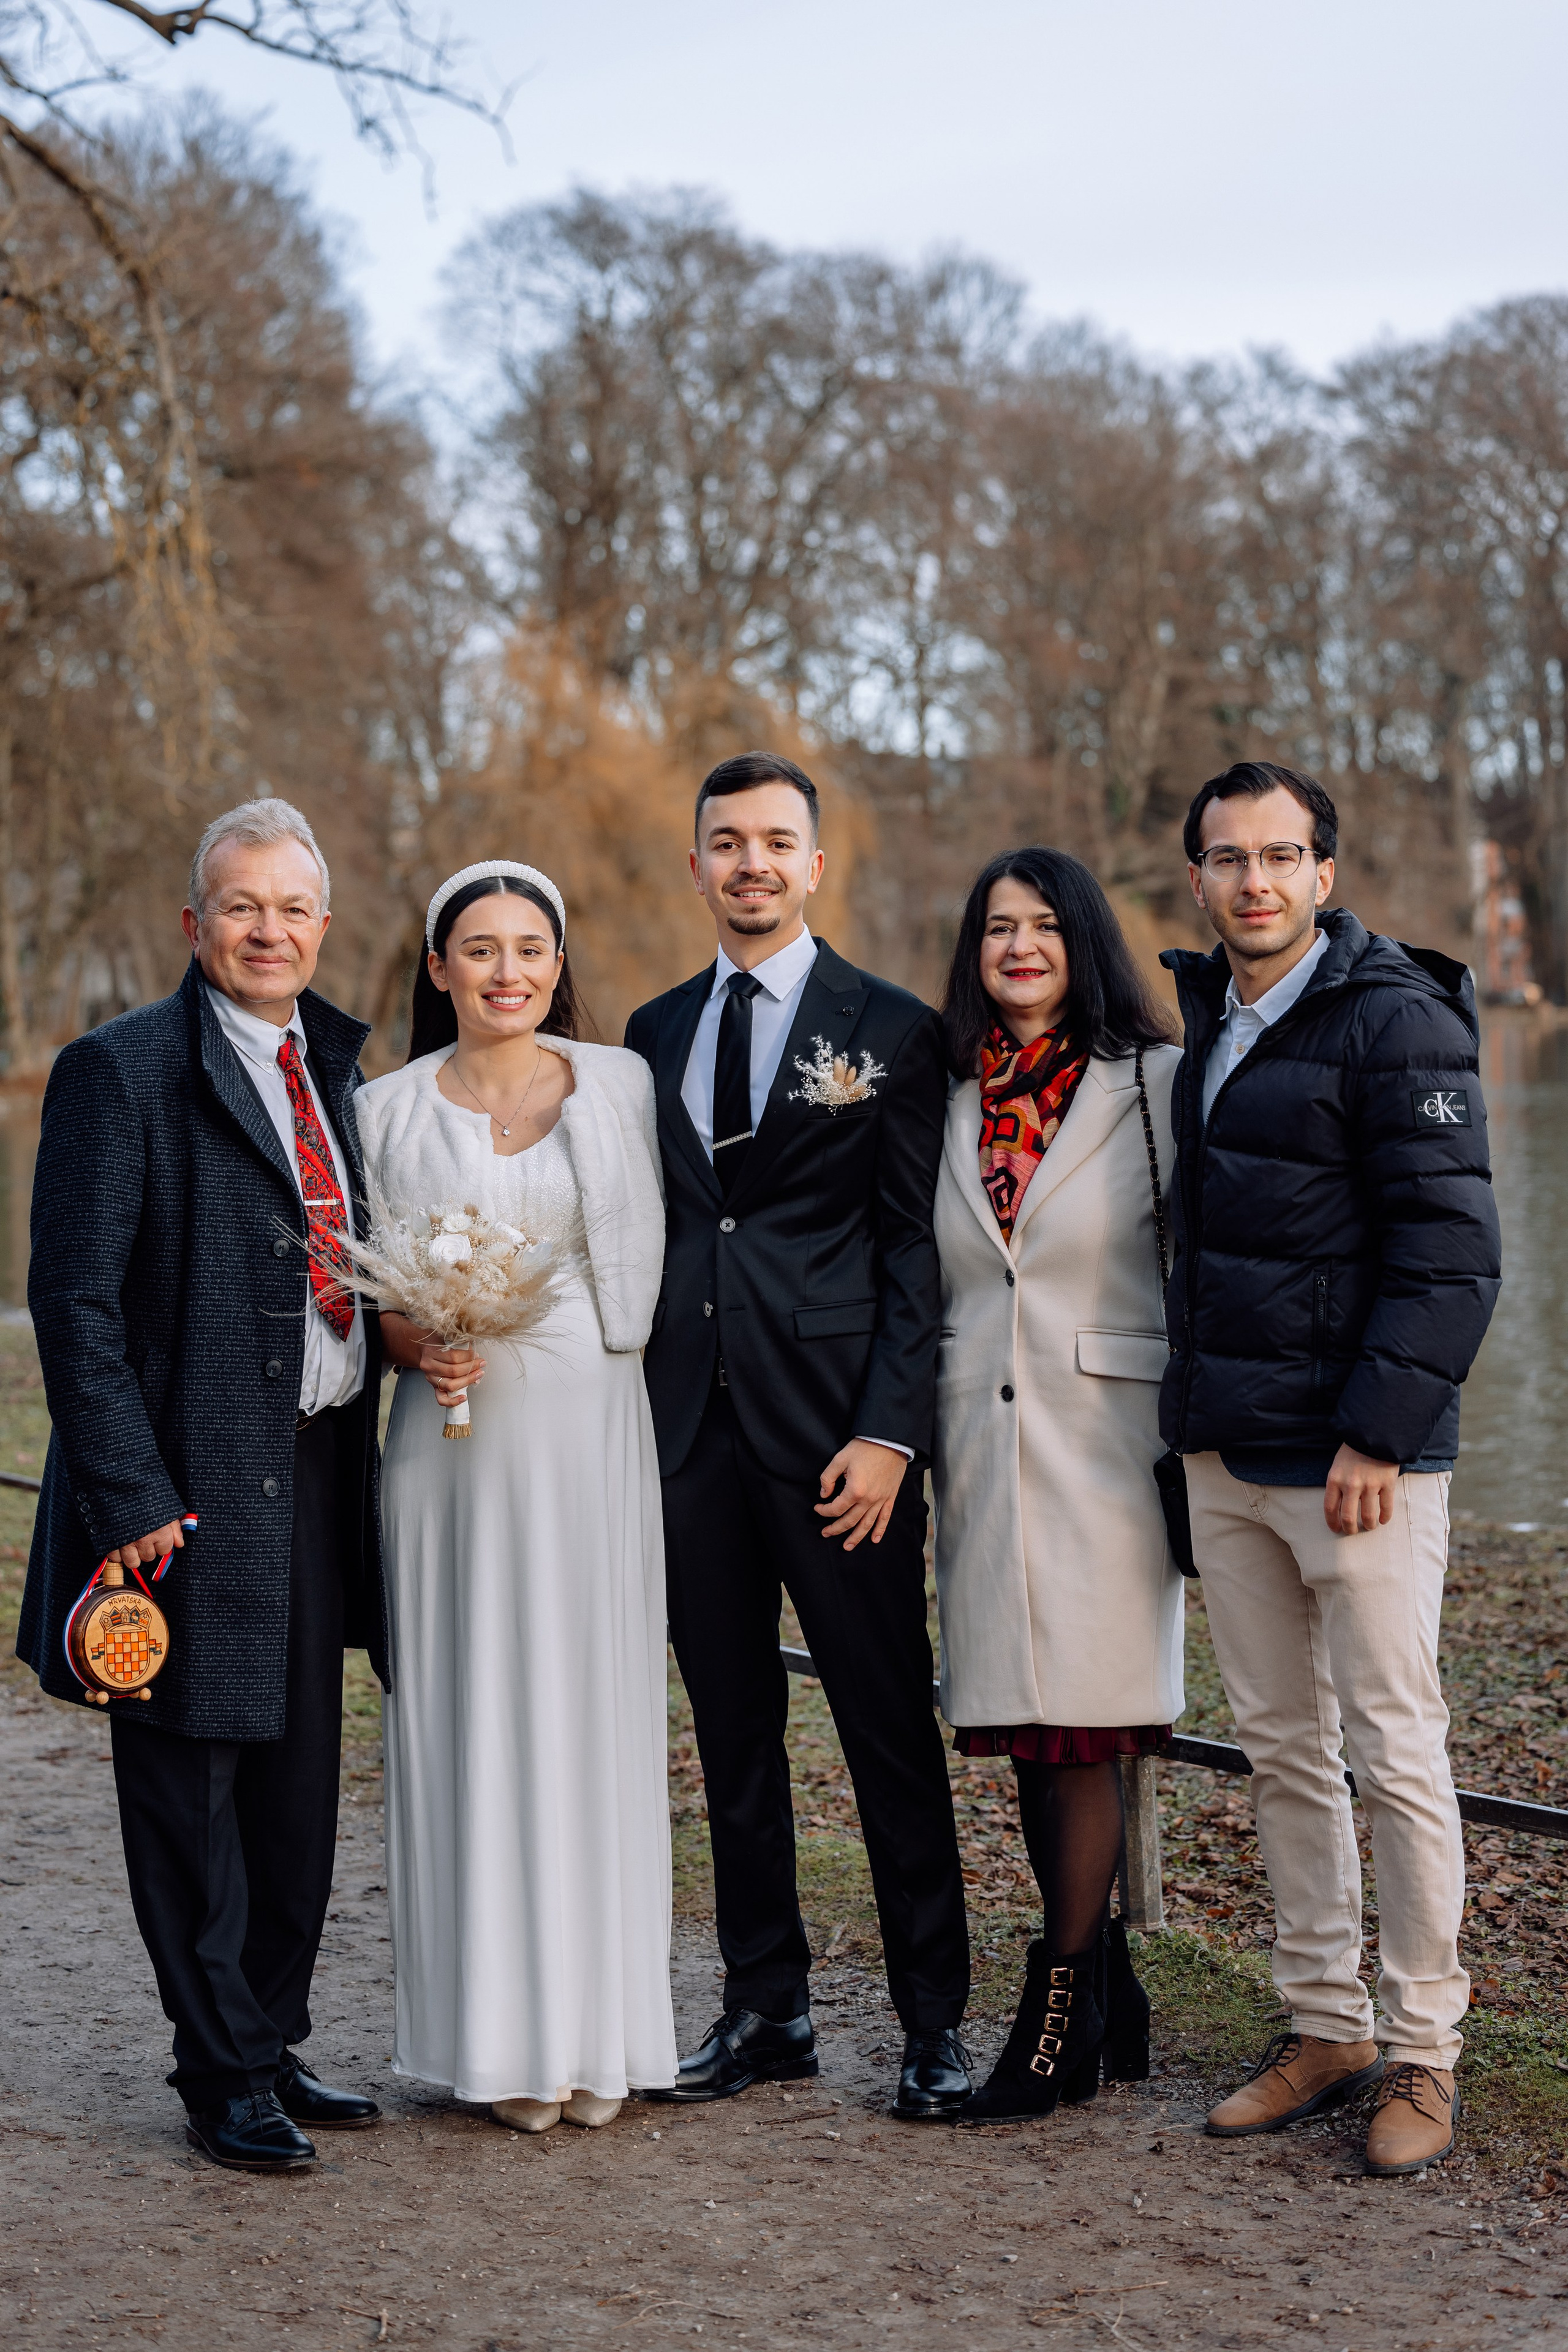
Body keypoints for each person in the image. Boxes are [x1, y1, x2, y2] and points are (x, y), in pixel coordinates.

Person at [17, 799, 386, 2173]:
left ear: (324, 927)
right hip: (180, 1491)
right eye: (242, 906)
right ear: (195, 924)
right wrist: (130, 1495)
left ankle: (272, 2035)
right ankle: (217, 2067)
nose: (268, 930)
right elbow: (74, 1306)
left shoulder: (336, 1073)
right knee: (191, 1782)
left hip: (317, 1470)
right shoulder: (118, 1075)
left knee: (298, 1777)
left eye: (292, 908)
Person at [1161, 761, 1501, 2177]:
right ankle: (1322, 2022)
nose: (1254, 881)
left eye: (1280, 856)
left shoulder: (1394, 1019)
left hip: (1356, 1462)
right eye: (1229, 858)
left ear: (1323, 871)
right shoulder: (1207, 1024)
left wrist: (1376, 1431)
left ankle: (1422, 2047)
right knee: (1282, 1752)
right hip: (1228, 1455)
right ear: (1195, 877)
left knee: (1394, 1748)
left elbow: (1449, 1257)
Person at [625, 751, 972, 2121]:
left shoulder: (886, 1029)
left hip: (841, 1454)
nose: (750, 864)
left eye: (776, 841)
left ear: (816, 865)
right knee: (732, 1739)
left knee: (887, 1734)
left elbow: (915, 1252)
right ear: (696, 863)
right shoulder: (648, 1035)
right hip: (691, 1443)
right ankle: (764, 2005)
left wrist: (890, 1437)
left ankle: (931, 2021)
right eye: (726, 842)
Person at [354, 861, 677, 2133]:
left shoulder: (622, 1085)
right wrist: (412, 1346)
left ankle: (601, 2035)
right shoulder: (382, 1110)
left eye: (530, 947)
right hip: (449, 1448)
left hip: (589, 1430)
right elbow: (368, 1298)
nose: (506, 971)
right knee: (473, 1714)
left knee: (590, 1714)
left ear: (557, 962)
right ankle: (495, 2043)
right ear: (437, 969)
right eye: (478, 950)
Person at [930, 848, 1185, 2123]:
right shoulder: (944, 1094)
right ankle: (1109, 1987)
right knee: (1035, 1734)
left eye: (1041, 927)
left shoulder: (1154, 1084)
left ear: (1084, 943)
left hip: (1109, 1449)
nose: (1018, 948)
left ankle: (1055, 2007)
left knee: (1084, 1725)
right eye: (995, 929)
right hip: (983, 1447)